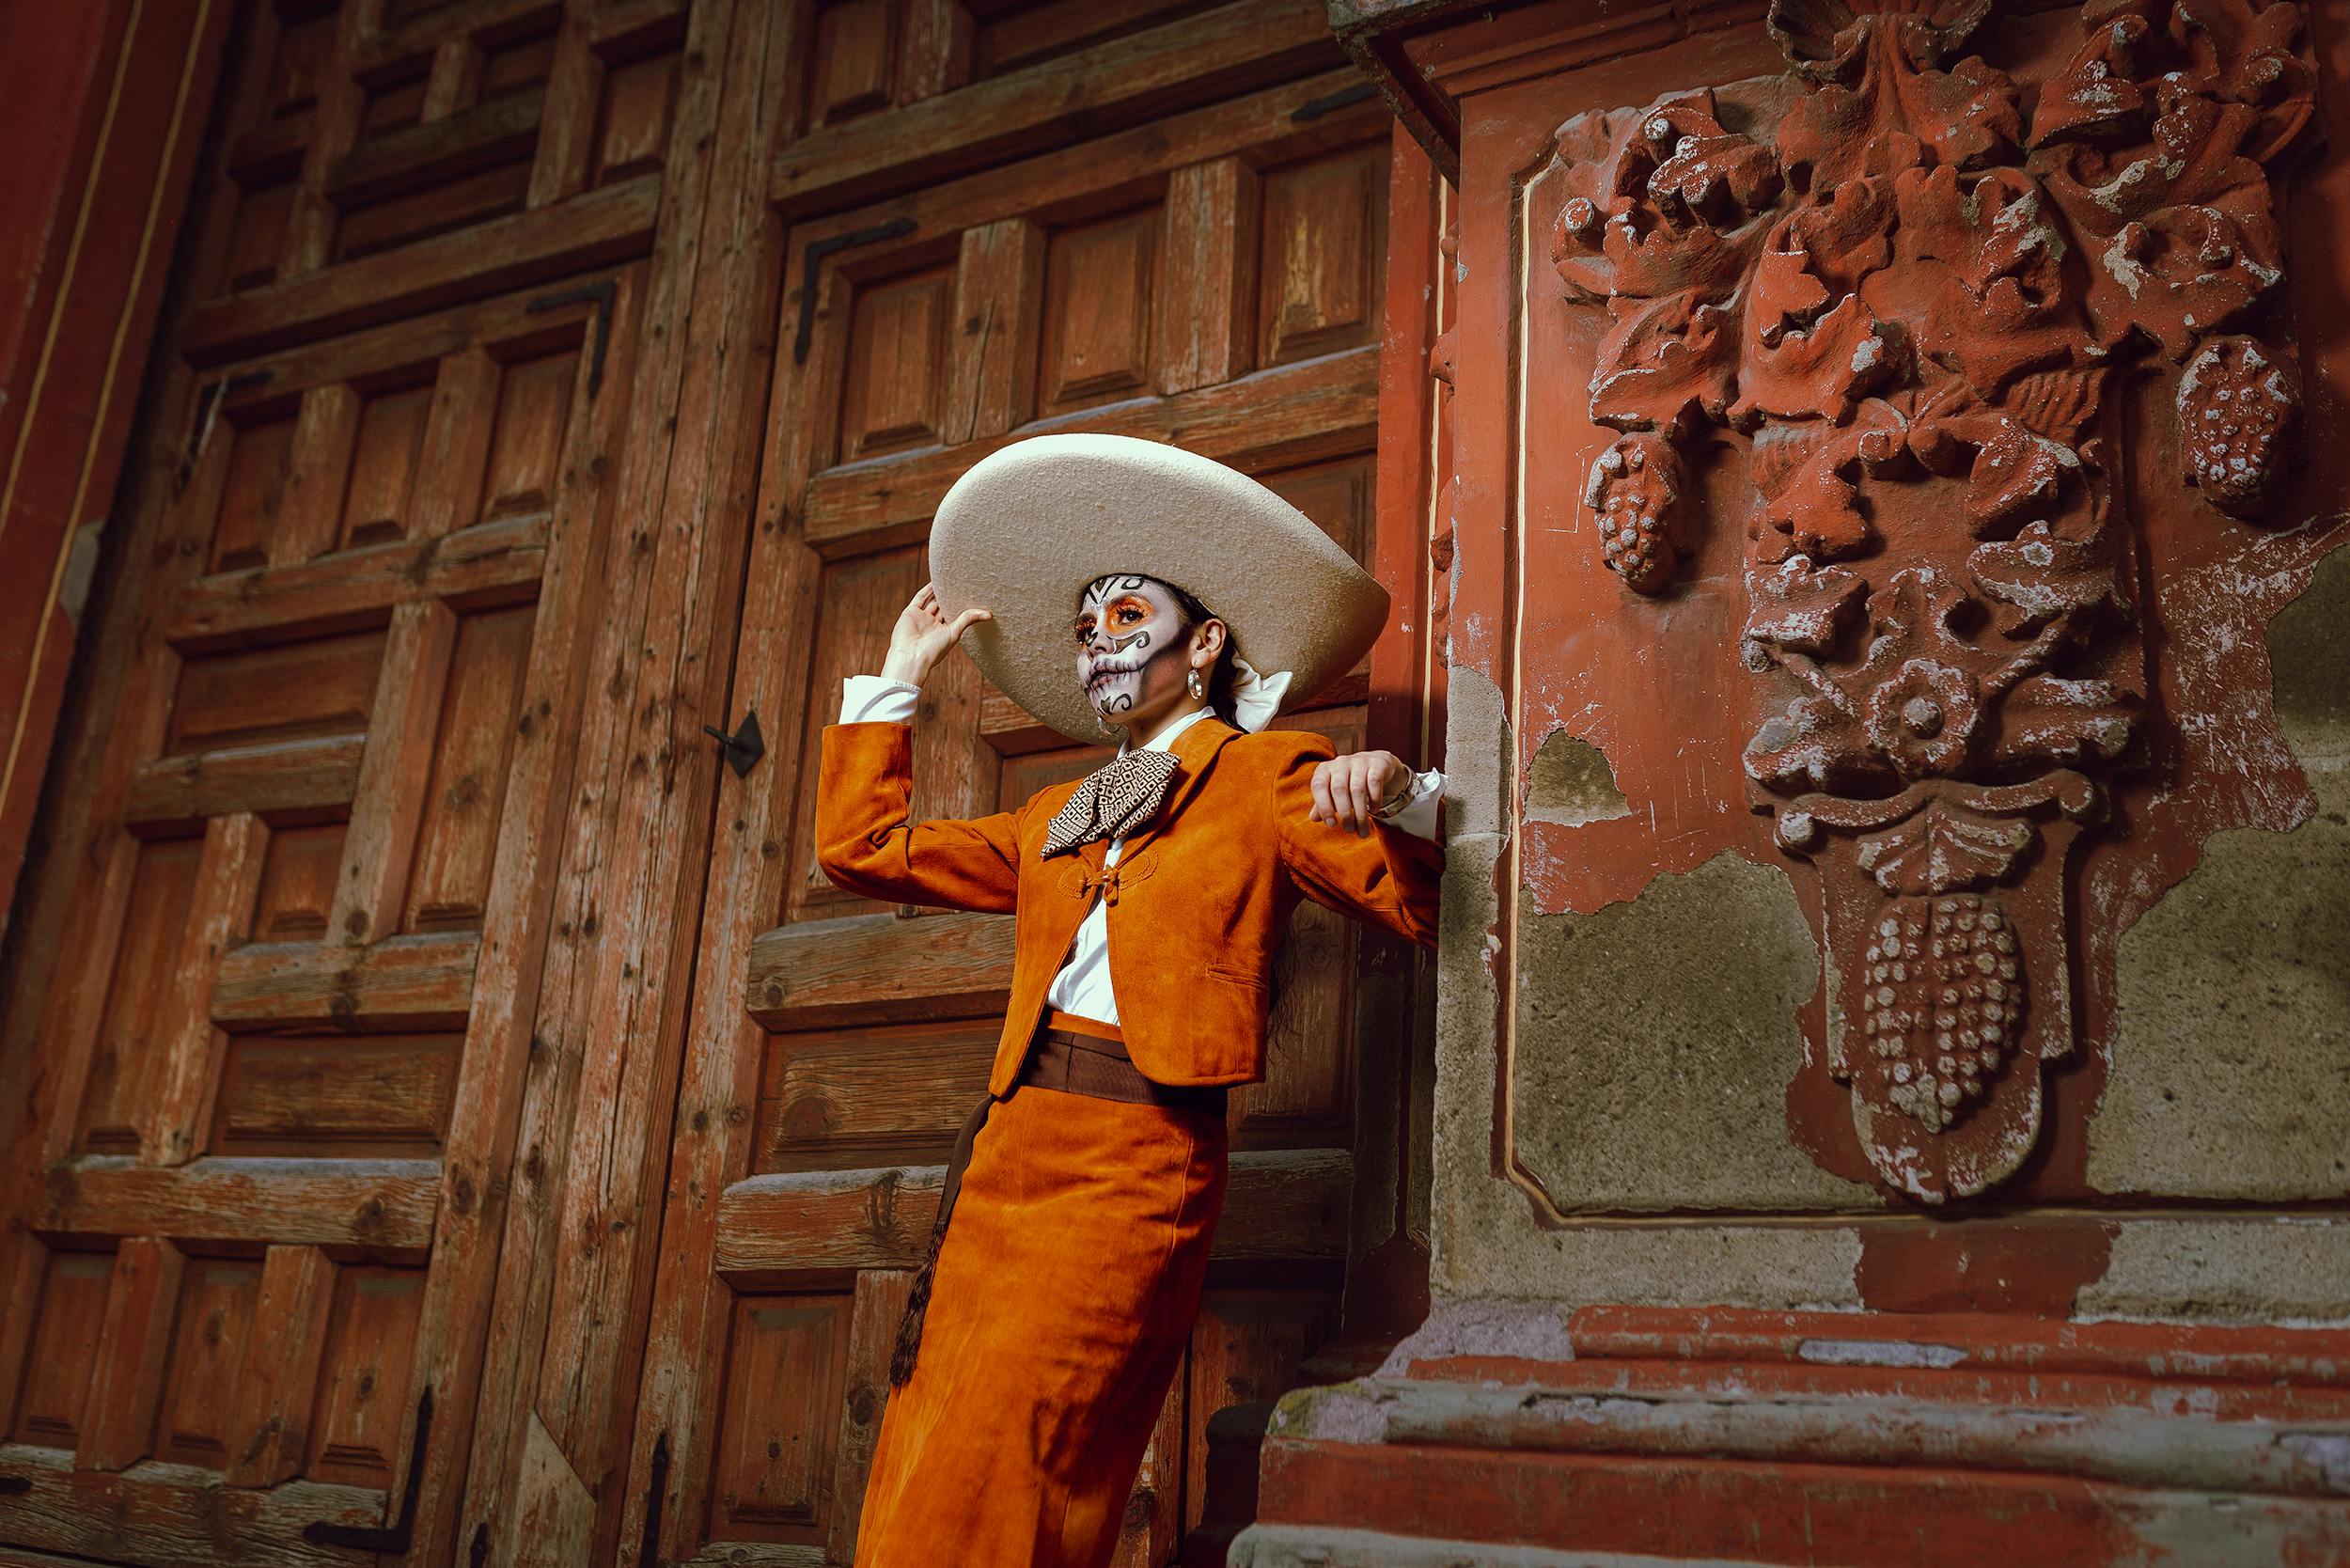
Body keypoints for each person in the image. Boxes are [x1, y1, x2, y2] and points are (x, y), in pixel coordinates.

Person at [813, 432, 1445, 1567]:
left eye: (1123, 618)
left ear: (1203, 642)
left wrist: (1390, 802)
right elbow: (863, 849)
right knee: (939, 1431)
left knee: (1036, 1449)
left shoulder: (1270, 776)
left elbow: (1415, 910)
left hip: (1134, 1159)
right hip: (1008, 1153)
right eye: (1084, 628)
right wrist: (899, 678)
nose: (1096, 645)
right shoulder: (1064, 810)